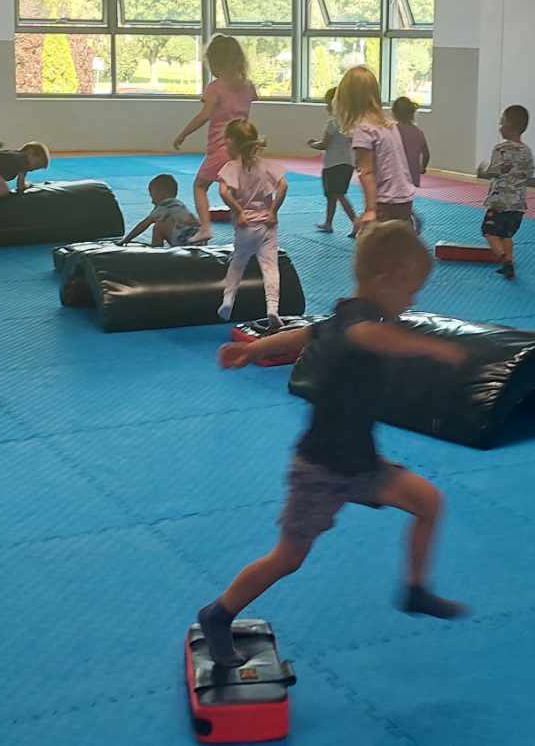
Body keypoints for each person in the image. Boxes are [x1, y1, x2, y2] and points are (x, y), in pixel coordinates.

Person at [198, 223, 470, 670]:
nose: (412, 301)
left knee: (429, 503)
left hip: (361, 464)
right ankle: (217, 614)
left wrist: (252, 350)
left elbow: (304, 334)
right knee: (288, 557)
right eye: (410, 291)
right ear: (386, 280)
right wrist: (435, 349)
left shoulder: (347, 316)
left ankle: (415, 590)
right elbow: (367, 338)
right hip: (321, 469)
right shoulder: (363, 326)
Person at [172, 36, 257, 244]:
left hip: (222, 147)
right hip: (243, 147)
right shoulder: (248, 86)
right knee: (235, 193)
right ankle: (245, 231)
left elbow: (204, 115)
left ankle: (205, 228)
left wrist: (183, 134)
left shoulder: (215, 87)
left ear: (215, 62)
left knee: (200, 186)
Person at [214, 119, 288, 323]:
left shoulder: (231, 167)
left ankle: (228, 301)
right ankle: (272, 308)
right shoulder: (266, 165)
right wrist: (273, 211)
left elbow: (223, 192)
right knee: (270, 268)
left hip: (246, 226)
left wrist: (238, 211)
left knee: (237, 265)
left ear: (232, 143)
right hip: (267, 224)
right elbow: (283, 186)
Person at [337, 67, 416, 231]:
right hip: (403, 198)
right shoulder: (388, 126)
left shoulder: (364, 129)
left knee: (376, 244)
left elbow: (367, 172)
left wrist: (370, 210)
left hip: (386, 200)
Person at [476, 106, 535, 280]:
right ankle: (509, 262)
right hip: (517, 204)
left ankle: (503, 258)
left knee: (489, 231)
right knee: (506, 235)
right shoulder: (526, 151)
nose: (500, 127)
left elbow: (494, 171)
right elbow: (529, 173)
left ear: (508, 126)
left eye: (501, 123)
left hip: (499, 203)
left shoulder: (500, 149)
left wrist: (482, 171)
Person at [306, 86, 358, 234]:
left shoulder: (333, 122)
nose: (326, 106)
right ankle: (328, 223)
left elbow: (324, 144)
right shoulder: (349, 122)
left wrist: (312, 144)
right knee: (332, 195)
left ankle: (356, 222)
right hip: (346, 163)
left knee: (338, 195)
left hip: (334, 164)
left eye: (327, 103)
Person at [120, 173, 201, 247]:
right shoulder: (179, 205)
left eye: (152, 196)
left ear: (160, 194)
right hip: (199, 241)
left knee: (158, 226)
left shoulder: (163, 207)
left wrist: (125, 240)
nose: (152, 201)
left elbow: (143, 225)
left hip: (185, 243)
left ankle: (156, 249)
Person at [392, 96, 430, 188]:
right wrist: (423, 168)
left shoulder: (392, 131)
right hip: (413, 178)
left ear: (394, 113)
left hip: (395, 178)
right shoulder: (418, 132)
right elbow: (426, 154)